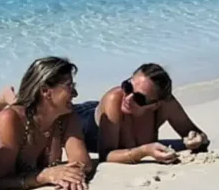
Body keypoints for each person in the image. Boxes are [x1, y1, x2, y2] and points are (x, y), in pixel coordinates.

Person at [0, 57, 94, 190]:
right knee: (10, 112)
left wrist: (73, 173)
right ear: (45, 91)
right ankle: (3, 98)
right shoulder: (11, 119)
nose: (75, 94)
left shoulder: (65, 116)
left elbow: (83, 162)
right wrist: (45, 176)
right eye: (69, 86)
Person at [75, 62, 210, 165]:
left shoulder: (166, 104)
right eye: (127, 87)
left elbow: (196, 135)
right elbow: (106, 155)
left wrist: (196, 139)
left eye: (139, 98)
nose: (127, 98)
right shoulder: (114, 100)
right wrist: (144, 151)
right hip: (82, 118)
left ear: (155, 105)